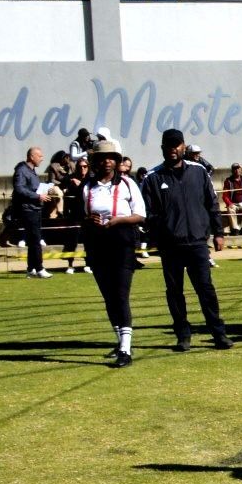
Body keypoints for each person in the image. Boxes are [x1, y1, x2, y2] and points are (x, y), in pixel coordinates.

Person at [142, 129, 230, 351]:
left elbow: (212, 204)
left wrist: (218, 232)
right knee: (174, 292)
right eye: (168, 145)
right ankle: (183, 334)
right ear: (162, 148)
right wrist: (164, 231)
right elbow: (148, 213)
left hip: (198, 243)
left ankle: (218, 333)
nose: (173, 149)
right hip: (170, 246)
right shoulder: (153, 177)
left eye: (177, 145)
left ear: (184, 146)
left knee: (206, 289)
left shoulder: (199, 172)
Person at [82, 148, 145, 367]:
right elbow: (80, 216)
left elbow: (141, 214)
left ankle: (126, 350)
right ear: (95, 162)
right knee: (108, 297)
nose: (107, 162)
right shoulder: (88, 186)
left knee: (120, 295)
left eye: (111, 158)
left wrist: (118, 220)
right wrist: (89, 219)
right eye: (102, 158)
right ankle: (120, 343)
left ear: (117, 161)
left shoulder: (127, 184)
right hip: (97, 245)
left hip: (122, 242)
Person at [11, 146, 55, 277]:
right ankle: (40, 268)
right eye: (40, 156)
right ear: (32, 157)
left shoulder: (31, 171)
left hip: (35, 208)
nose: (42, 159)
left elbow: (31, 187)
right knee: (35, 239)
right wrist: (37, 196)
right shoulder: (21, 171)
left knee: (33, 240)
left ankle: (31, 269)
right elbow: (19, 189)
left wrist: (46, 189)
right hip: (28, 209)